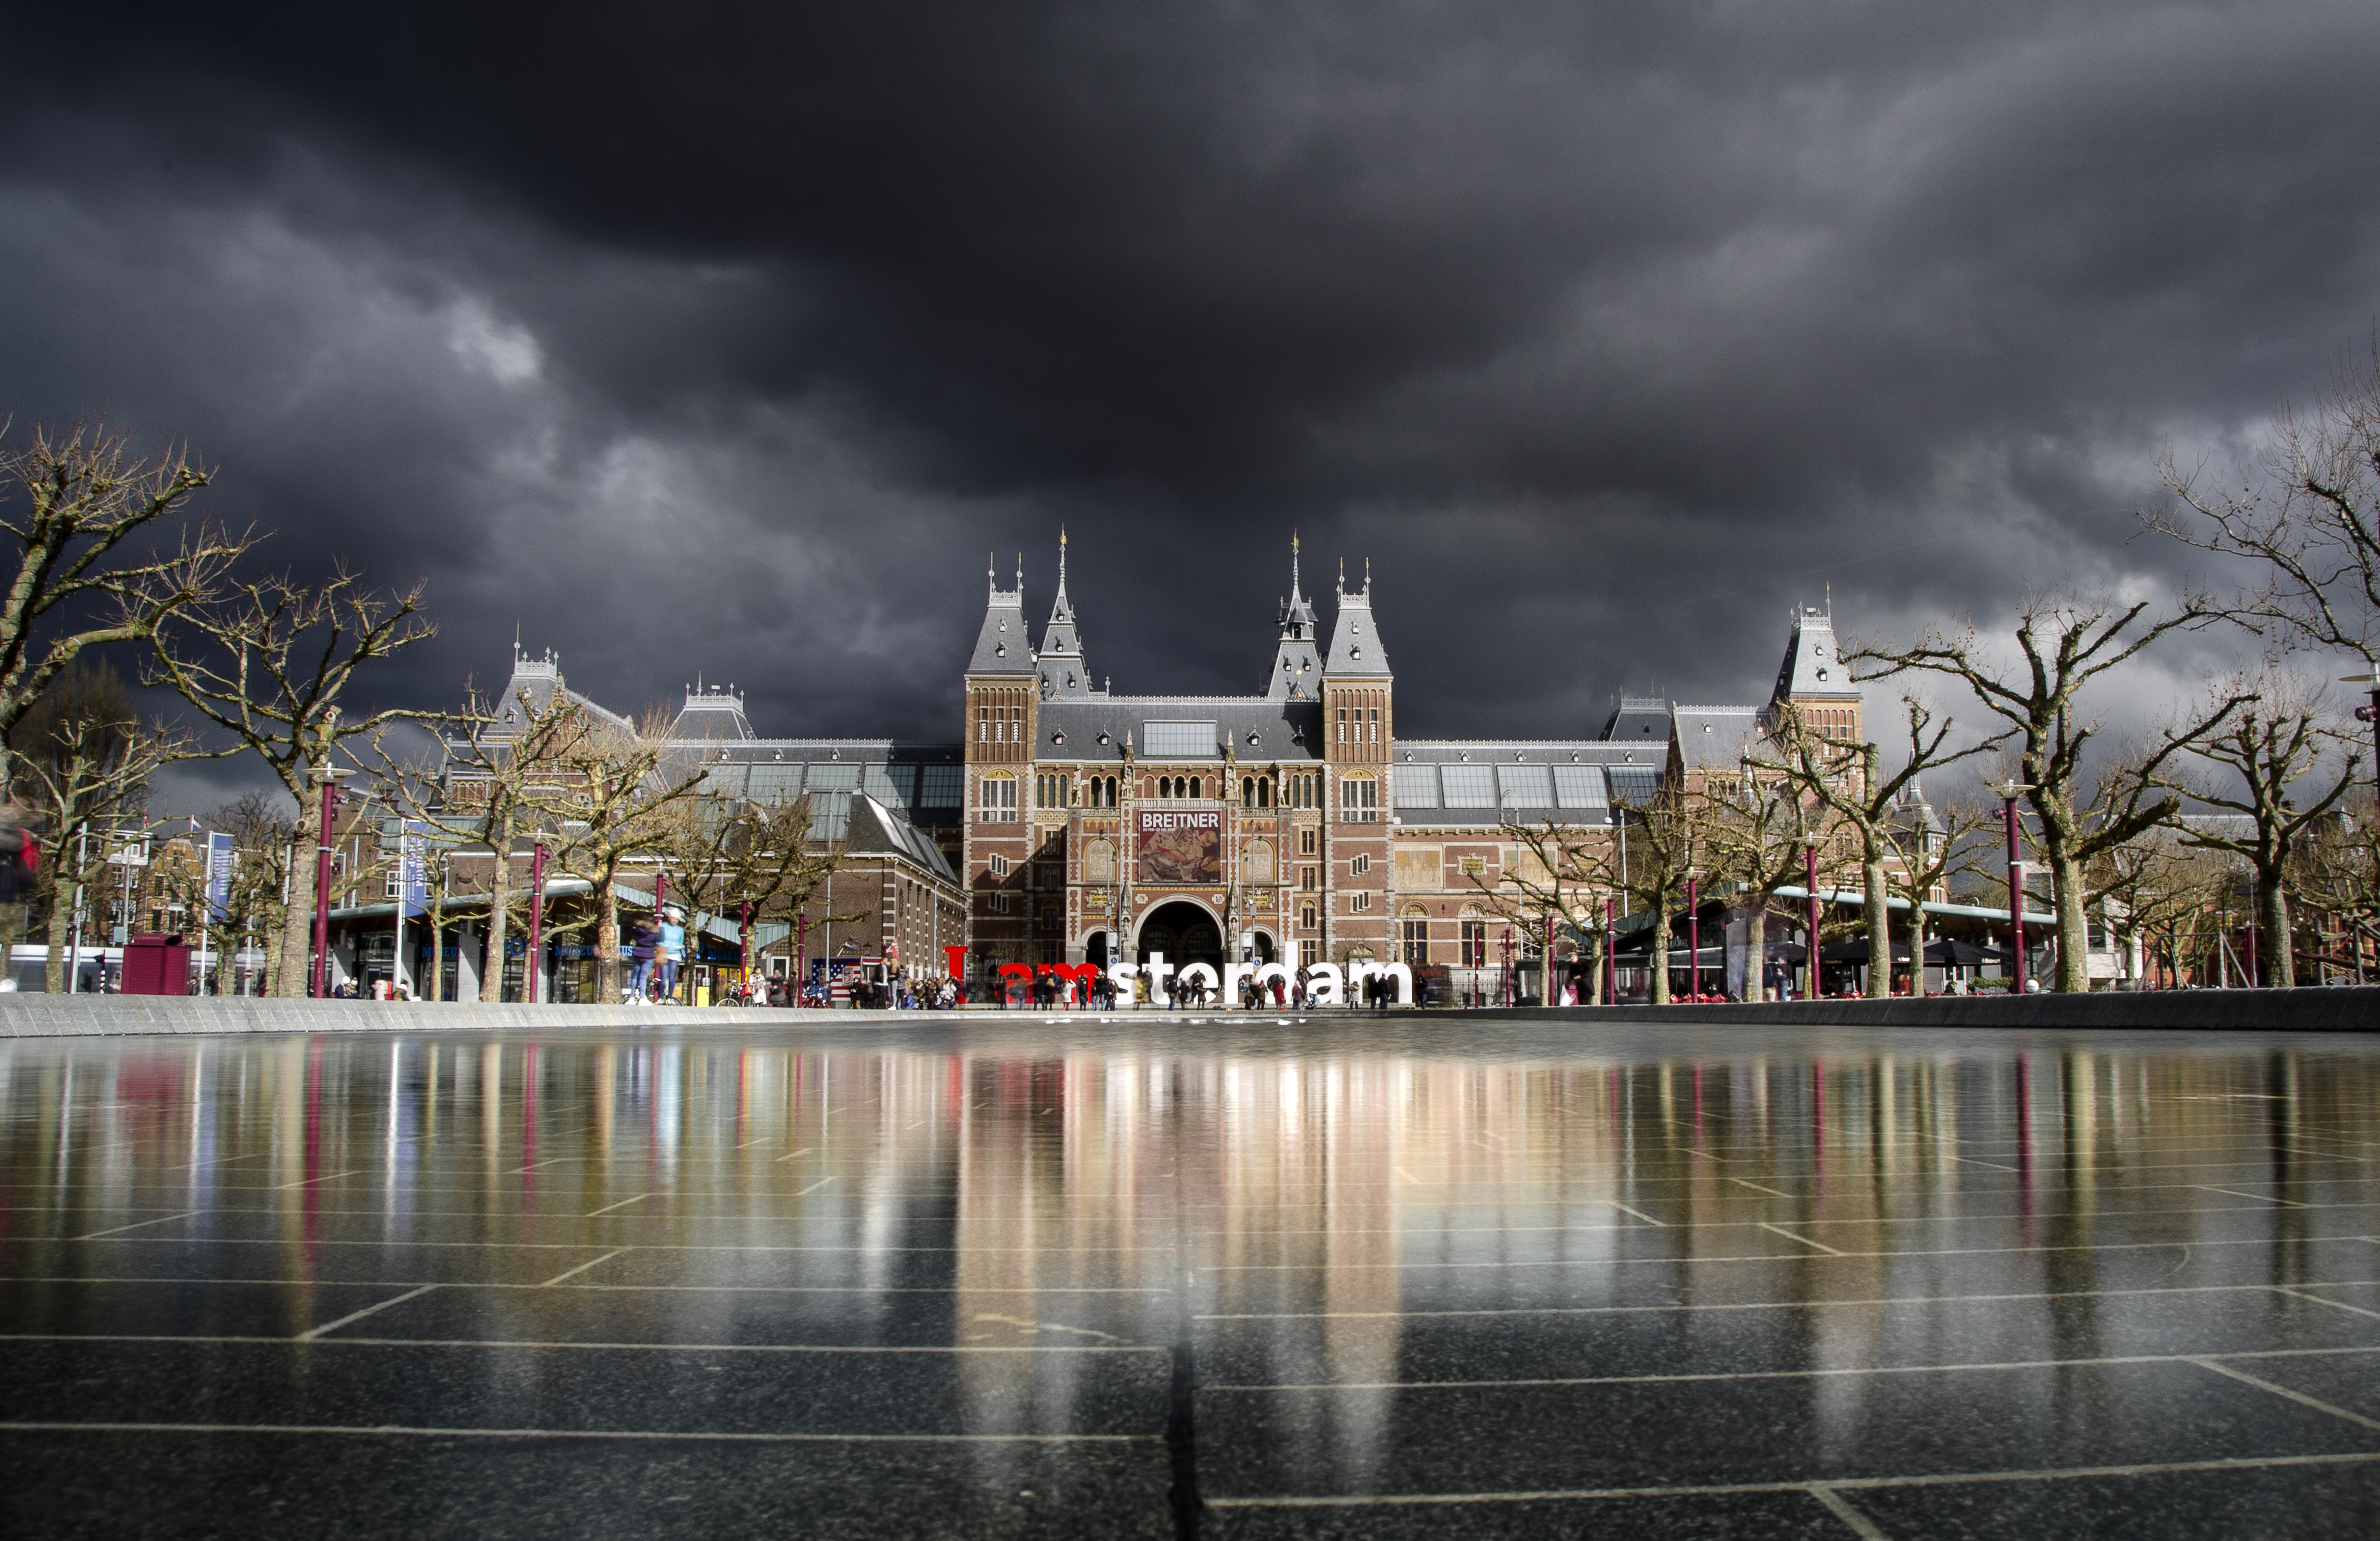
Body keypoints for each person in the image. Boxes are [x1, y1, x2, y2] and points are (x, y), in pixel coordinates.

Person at [657, 907, 687, 1002]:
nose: (674, 921)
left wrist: (680, 947)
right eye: (673, 919)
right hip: (665, 954)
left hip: (675, 955)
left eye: (676, 919)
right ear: (670, 918)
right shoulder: (664, 926)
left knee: (672, 978)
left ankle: (670, 997)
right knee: (663, 977)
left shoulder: (680, 930)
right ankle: (661, 997)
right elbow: (659, 940)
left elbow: (681, 943)